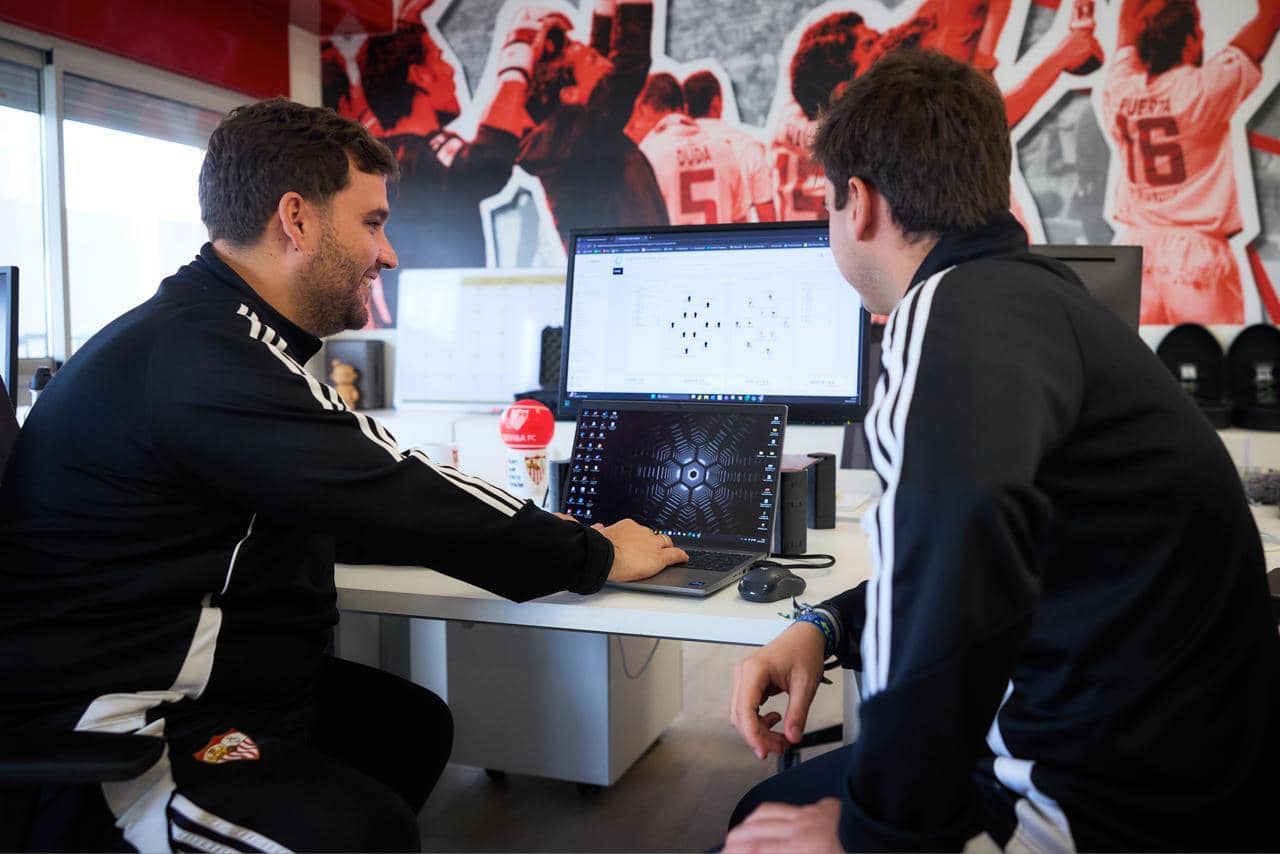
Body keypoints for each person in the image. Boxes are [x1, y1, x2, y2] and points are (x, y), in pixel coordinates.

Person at [0, 98, 687, 852]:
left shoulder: (212, 334)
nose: (387, 253)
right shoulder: (203, 354)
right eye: (372, 223)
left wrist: (522, 535)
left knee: (410, 728)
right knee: (366, 833)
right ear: (296, 220)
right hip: (125, 732)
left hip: (216, 691)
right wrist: (594, 551)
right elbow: (393, 483)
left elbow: (335, 497)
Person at [725, 49, 1279, 852]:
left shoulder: (943, 310)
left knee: (756, 832)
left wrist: (874, 838)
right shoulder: (1032, 298)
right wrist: (828, 625)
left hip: (1094, 804)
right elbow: (994, 554)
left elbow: (960, 545)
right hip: (1186, 772)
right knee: (761, 811)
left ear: (859, 202)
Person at [1101, 0, 1280, 324]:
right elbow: (1270, 15)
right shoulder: (1203, 89)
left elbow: (1127, 20)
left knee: (1132, 370)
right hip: (1195, 253)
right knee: (1211, 366)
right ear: (1188, 41)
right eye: (1198, 31)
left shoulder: (1119, 88)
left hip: (1135, 248)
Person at [516, 0, 669, 247]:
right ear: (570, 94)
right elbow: (628, 65)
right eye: (592, 61)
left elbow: (601, 62)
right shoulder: (576, 142)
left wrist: (604, 9)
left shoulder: (567, 137)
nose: (605, 64)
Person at [632, 73, 749, 225]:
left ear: (643, 110)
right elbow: (740, 221)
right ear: (685, 108)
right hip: (721, 247)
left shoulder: (647, 155)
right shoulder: (724, 149)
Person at [684, 70, 776, 222]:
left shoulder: (669, 150)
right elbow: (768, 219)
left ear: (686, 106)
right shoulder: (747, 146)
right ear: (716, 102)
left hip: (686, 243)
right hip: (735, 241)